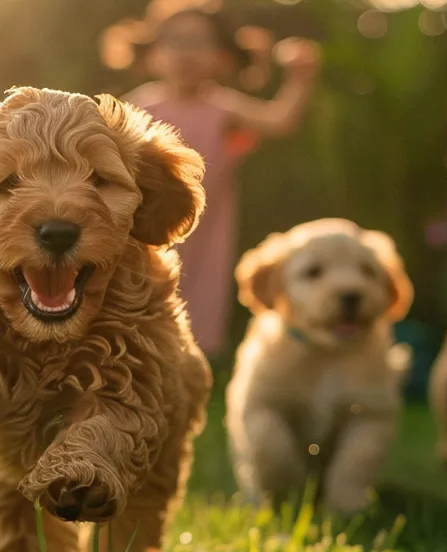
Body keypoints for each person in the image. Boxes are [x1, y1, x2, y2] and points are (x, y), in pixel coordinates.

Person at [105, 2, 320, 360]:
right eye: (175, 41)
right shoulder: (138, 107)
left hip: (205, 228)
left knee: (197, 298)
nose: (186, 52)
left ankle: (186, 372)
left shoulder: (223, 107)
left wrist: (301, 77)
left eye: (198, 42)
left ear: (221, 57)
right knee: (136, 296)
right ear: (153, 55)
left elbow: (280, 120)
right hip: (143, 228)